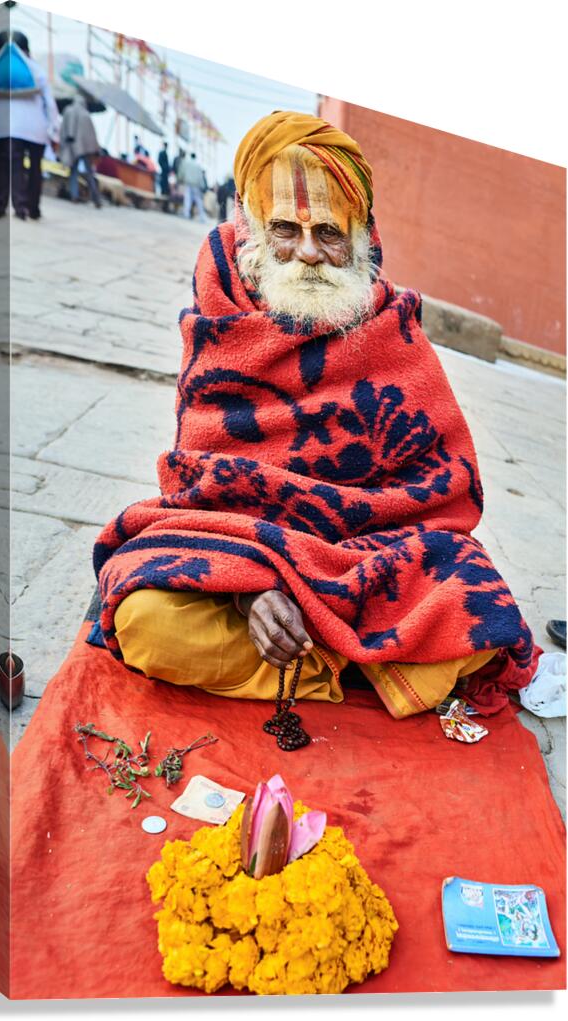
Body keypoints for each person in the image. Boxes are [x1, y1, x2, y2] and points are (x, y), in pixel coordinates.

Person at [90, 110, 541, 720]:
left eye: (329, 233)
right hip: (247, 561)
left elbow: (447, 494)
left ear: (361, 237)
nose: (308, 254)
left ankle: (320, 658)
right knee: (148, 622)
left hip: (368, 565)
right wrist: (252, 588)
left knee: (478, 613)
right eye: (284, 228)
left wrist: (325, 585)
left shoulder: (392, 330)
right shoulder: (221, 318)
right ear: (249, 227)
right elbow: (201, 488)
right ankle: (356, 666)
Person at [0, 30, 60, 220]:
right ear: (27, 49)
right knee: (35, 168)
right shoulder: (37, 71)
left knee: (3, 166)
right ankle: (30, 209)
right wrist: (54, 133)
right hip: (36, 129)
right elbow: (50, 105)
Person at [59, 94, 102, 208]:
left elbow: (65, 129)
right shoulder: (85, 114)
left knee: (73, 172)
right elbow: (92, 135)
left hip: (73, 145)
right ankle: (96, 198)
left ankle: (74, 195)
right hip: (86, 148)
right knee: (89, 173)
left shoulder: (68, 110)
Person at [177, 151, 207, 222]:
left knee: (187, 199)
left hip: (188, 183)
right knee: (198, 200)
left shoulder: (186, 163)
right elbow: (200, 177)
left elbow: (182, 172)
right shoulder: (198, 166)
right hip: (196, 185)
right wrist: (202, 186)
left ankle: (186, 214)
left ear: (190, 156)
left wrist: (180, 179)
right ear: (195, 157)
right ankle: (202, 217)